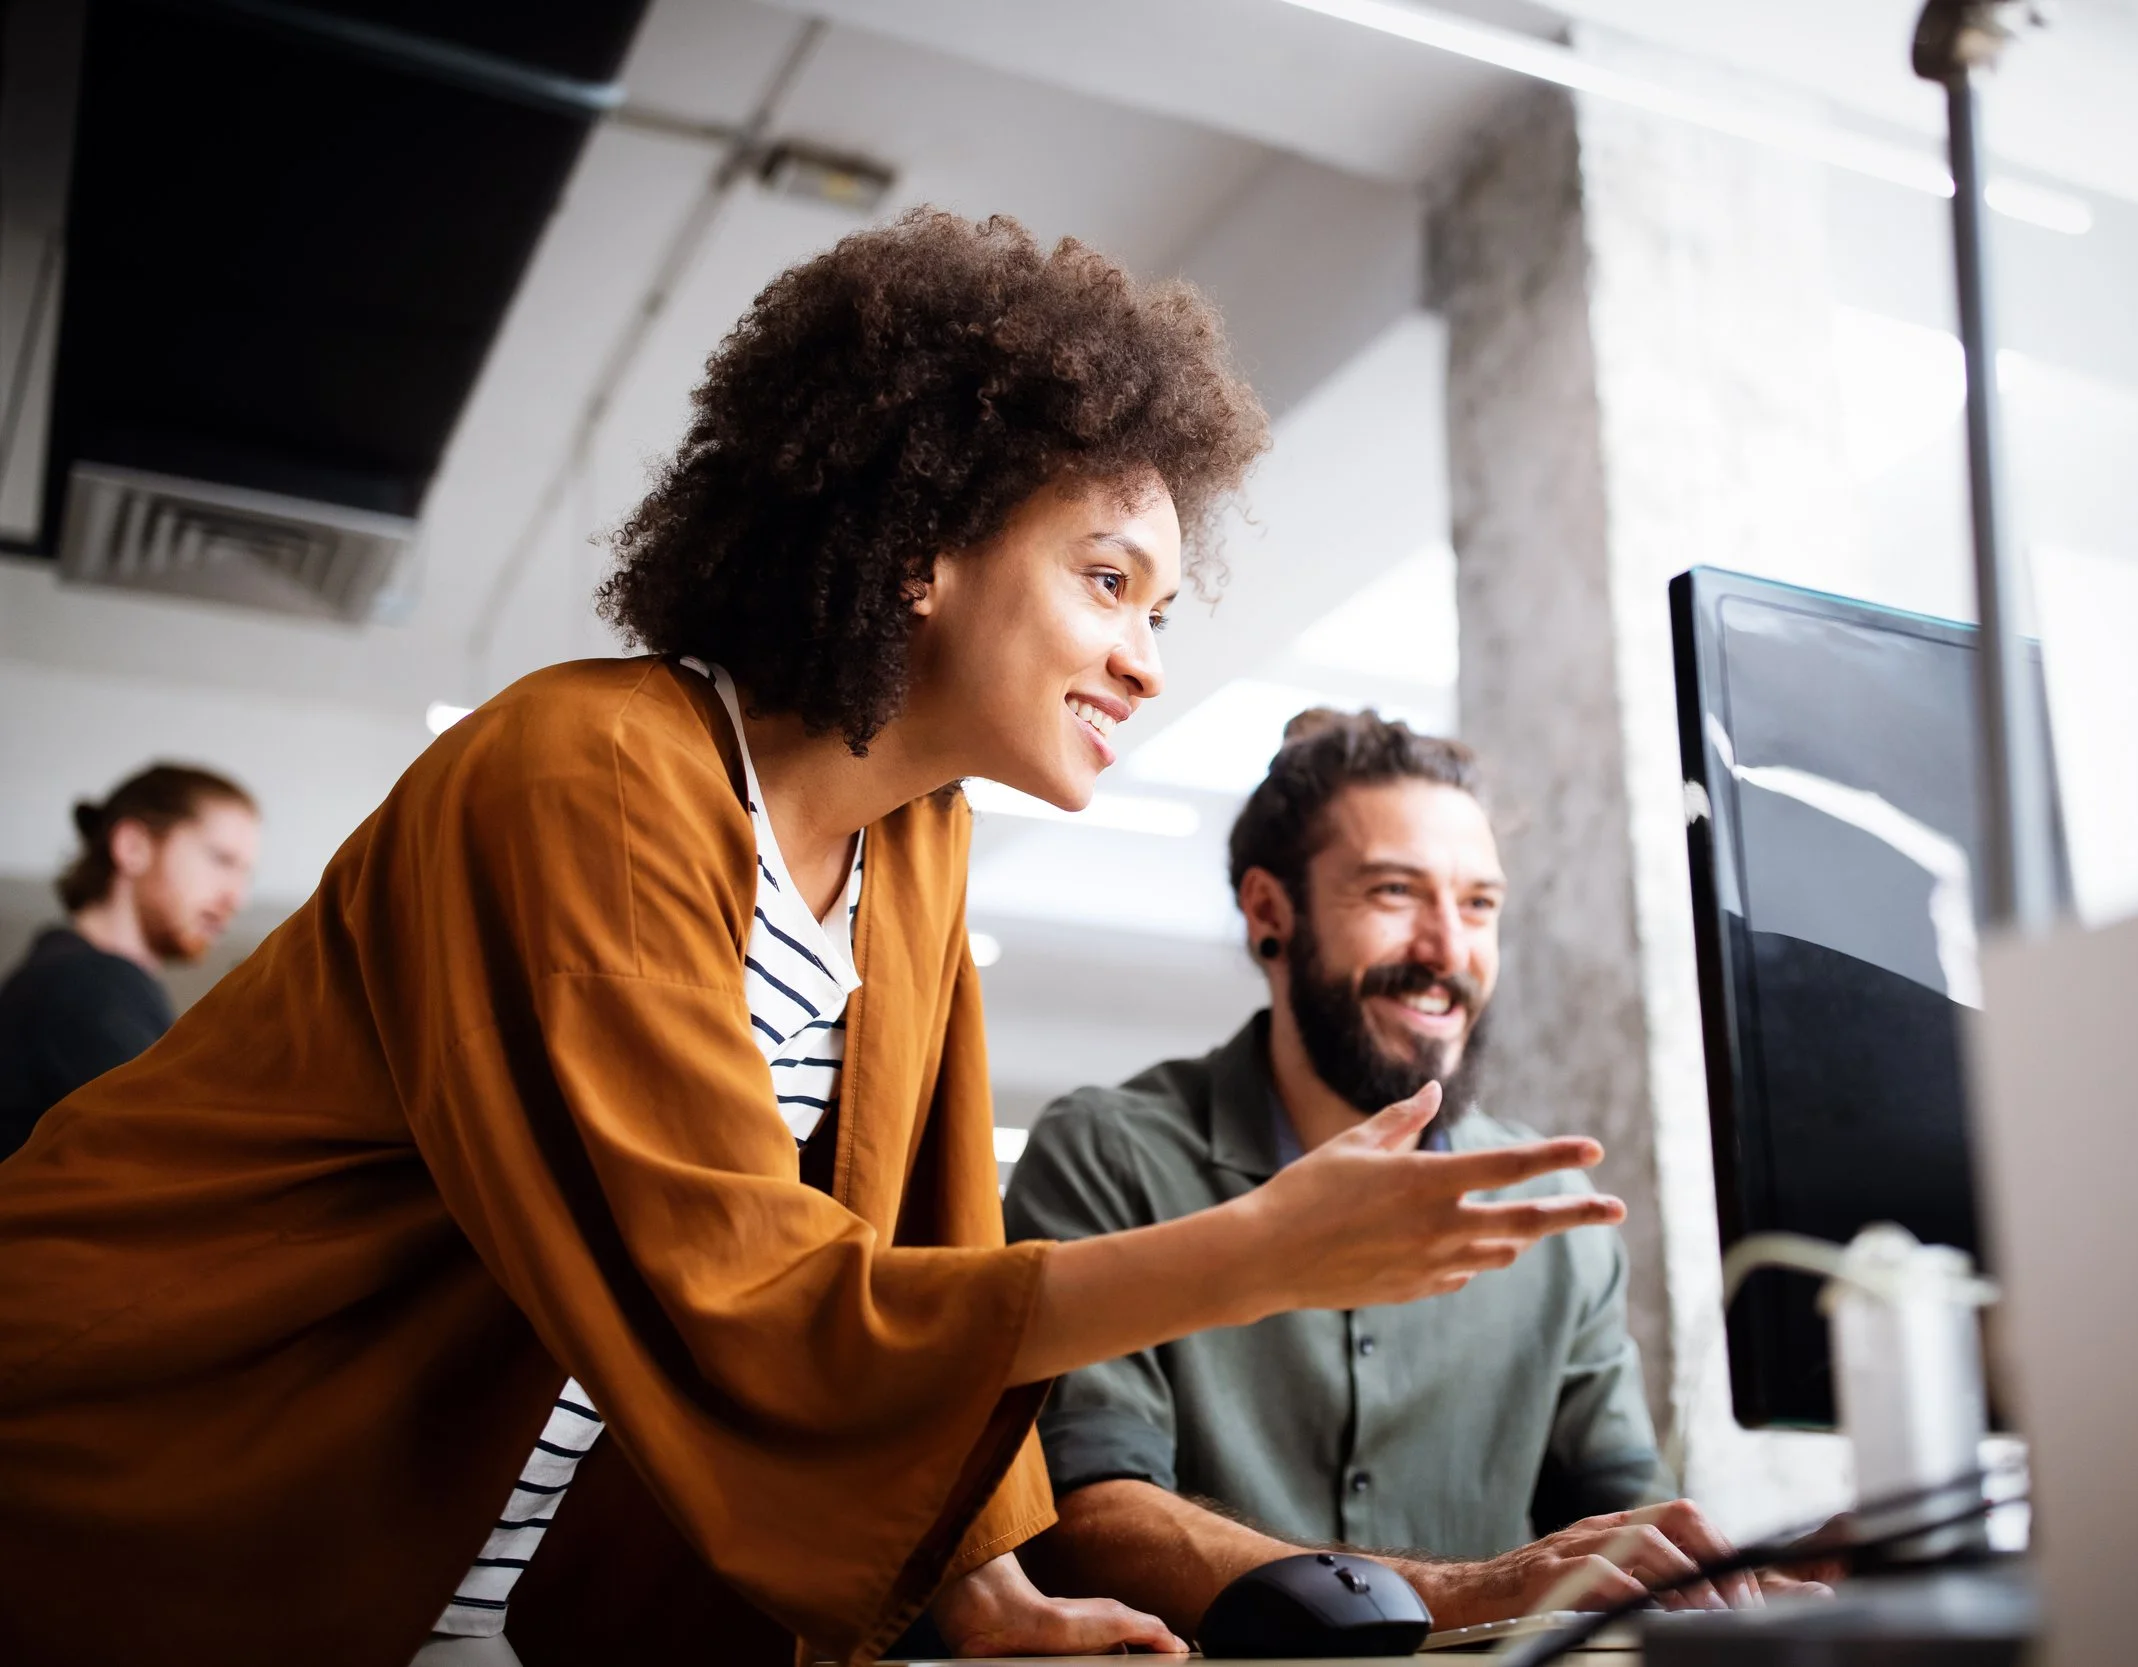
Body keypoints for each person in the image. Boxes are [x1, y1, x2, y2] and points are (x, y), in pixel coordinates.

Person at [0, 211, 1628, 1667]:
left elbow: (918, 1234)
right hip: (146, 1484)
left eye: (1161, 610)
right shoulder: (585, 771)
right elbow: (749, 1294)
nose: (1144, 662)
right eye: (1109, 579)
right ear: (926, 543)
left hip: (446, 1572)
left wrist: (996, 1599)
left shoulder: (914, 844)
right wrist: (1255, 1250)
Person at [1008, 711, 1803, 1635]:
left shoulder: (1553, 1216)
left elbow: (1626, 1524)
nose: (1446, 950)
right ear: (1271, 911)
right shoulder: (1110, 1157)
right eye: (1395, 892)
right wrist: (1459, 1591)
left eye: (1478, 905)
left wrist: (1758, 1577)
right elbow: (1087, 1514)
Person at [0, 764, 259, 1159]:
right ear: (133, 846)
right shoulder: (86, 984)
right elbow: (174, 1162)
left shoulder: (80, 977)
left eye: (245, 874)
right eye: (221, 860)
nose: (235, 898)